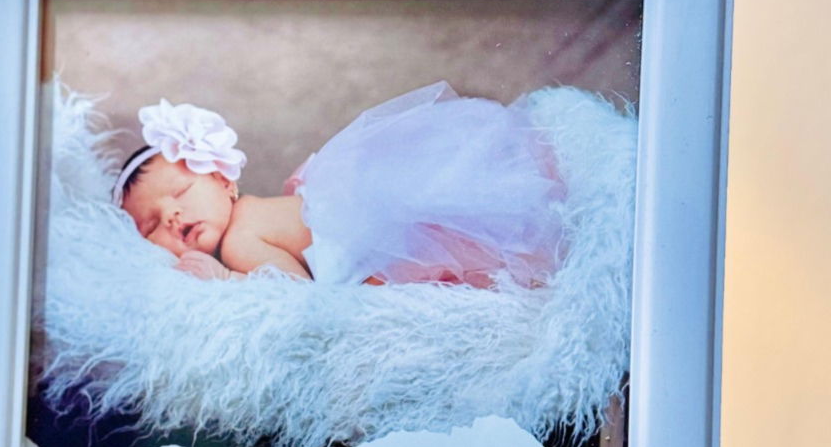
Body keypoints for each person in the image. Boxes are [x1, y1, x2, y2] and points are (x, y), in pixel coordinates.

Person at [115, 85, 565, 288]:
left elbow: (293, 292)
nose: (170, 216)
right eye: (150, 225)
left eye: (180, 193)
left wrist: (226, 280)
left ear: (221, 178)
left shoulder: (239, 240)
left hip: (367, 246)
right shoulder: (259, 213)